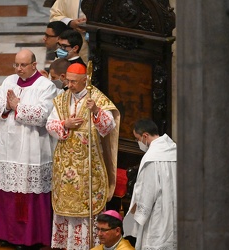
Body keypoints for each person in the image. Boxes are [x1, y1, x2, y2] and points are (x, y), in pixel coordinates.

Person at [0, 49, 57, 249]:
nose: (18, 69)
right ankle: (7, 234)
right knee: (7, 191)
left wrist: (18, 106)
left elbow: (44, 115)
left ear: (34, 65)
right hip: (8, 146)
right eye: (16, 64)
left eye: (23, 65)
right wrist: (8, 106)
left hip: (32, 148)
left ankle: (30, 238)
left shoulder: (46, 86)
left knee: (28, 193)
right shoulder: (9, 81)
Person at [46, 63, 120, 249]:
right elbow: (49, 124)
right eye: (67, 81)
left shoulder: (97, 98)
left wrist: (96, 111)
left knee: (87, 209)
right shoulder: (62, 99)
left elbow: (108, 127)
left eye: (73, 82)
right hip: (65, 164)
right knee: (66, 208)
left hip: (88, 165)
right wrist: (65, 124)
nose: (69, 85)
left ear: (85, 80)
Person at [123, 118, 177, 250]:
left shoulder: (151, 158)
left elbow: (147, 192)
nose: (138, 143)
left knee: (157, 240)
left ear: (145, 136)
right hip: (177, 210)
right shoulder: (174, 150)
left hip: (158, 213)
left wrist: (137, 216)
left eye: (137, 139)